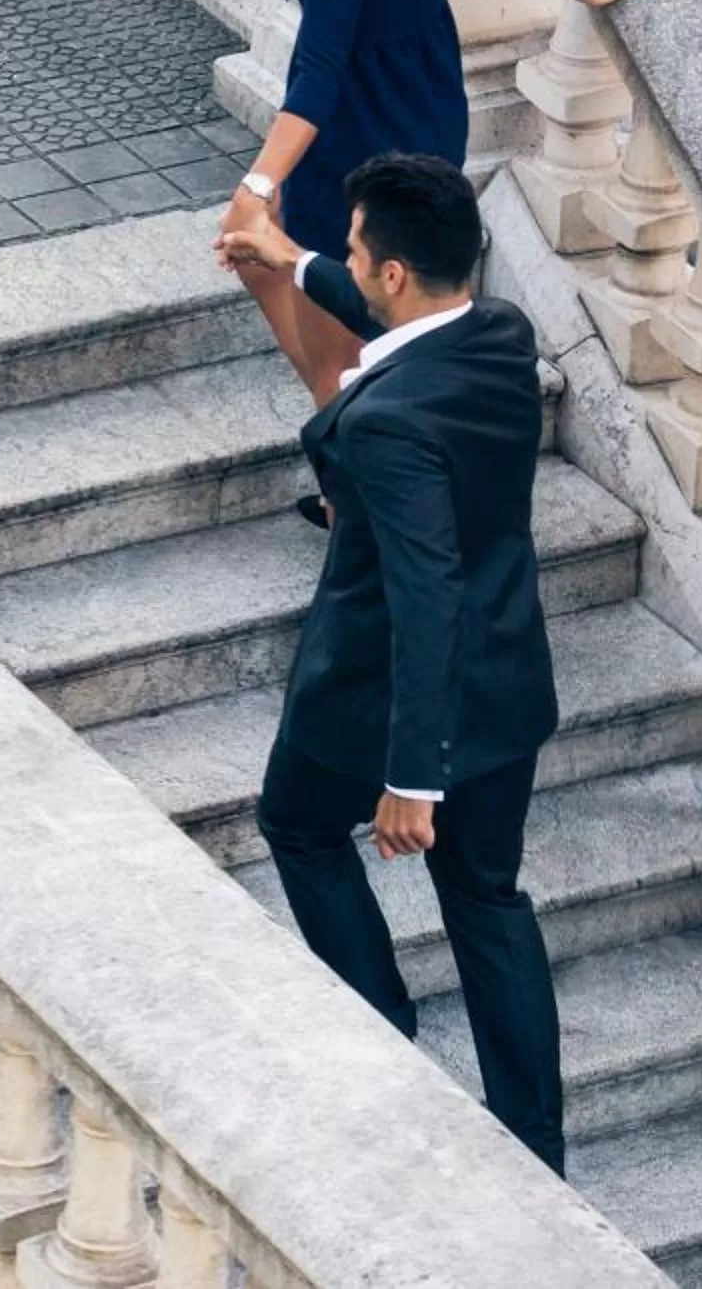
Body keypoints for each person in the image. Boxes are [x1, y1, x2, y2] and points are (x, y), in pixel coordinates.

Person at [216, 153, 567, 1177]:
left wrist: (414, 778)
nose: (353, 263)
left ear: (397, 274)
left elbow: (426, 597)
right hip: (508, 689)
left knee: (295, 824)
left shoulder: (384, 426)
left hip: (381, 704)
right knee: (489, 902)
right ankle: (535, 1147)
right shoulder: (499, 335)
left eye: (357, 252)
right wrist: (293, 260)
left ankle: (383, 1036)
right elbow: (399, 324)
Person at [219, 0, 667, 475]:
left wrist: (257, 182)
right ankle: (365, 469)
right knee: (341, 301)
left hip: (353, 135)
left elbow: (319, 72)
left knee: (327, 339)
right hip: (429, 110)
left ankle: (349, 495)